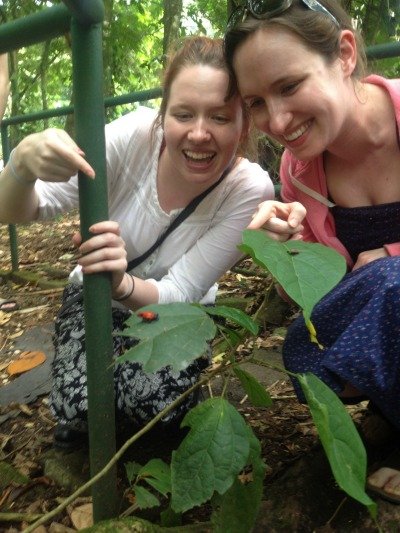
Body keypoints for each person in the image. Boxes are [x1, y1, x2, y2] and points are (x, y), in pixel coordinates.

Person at [0, 36, 274, 448]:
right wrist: (21, 163)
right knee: (80, 409)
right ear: (164, 115)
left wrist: (122, 284)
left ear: (243, 124)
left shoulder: (249, 189)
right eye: (184, 114)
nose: (199, 134)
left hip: (176, 313)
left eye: (220, 117)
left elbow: (180, 291)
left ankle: (174, 394)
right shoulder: (134, 136)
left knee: (154, 409)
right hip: (92, 295)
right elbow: (24, 209)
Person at [224, 0, 400, 504]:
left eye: (289, 86)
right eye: (256, 102)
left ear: (344, 55)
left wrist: (389, 252)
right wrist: (289, 253)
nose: (276, 120)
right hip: (386, 308)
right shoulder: (297, 171)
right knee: (307, 349)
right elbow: (326, 299)